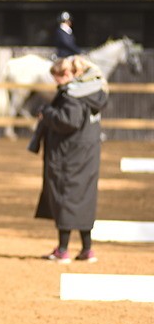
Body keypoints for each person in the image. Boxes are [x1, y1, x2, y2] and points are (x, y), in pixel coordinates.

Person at [32, 55, 108, 263]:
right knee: (84, 200)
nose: (55, 82)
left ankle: (63, 250)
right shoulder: (93, 91)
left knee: (65, 199)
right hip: (88, 156)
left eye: (56, 78)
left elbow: (69, 121)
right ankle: (87, 249)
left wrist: (47, 113)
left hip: (69, 156)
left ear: (67, 74)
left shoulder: (72, 95)